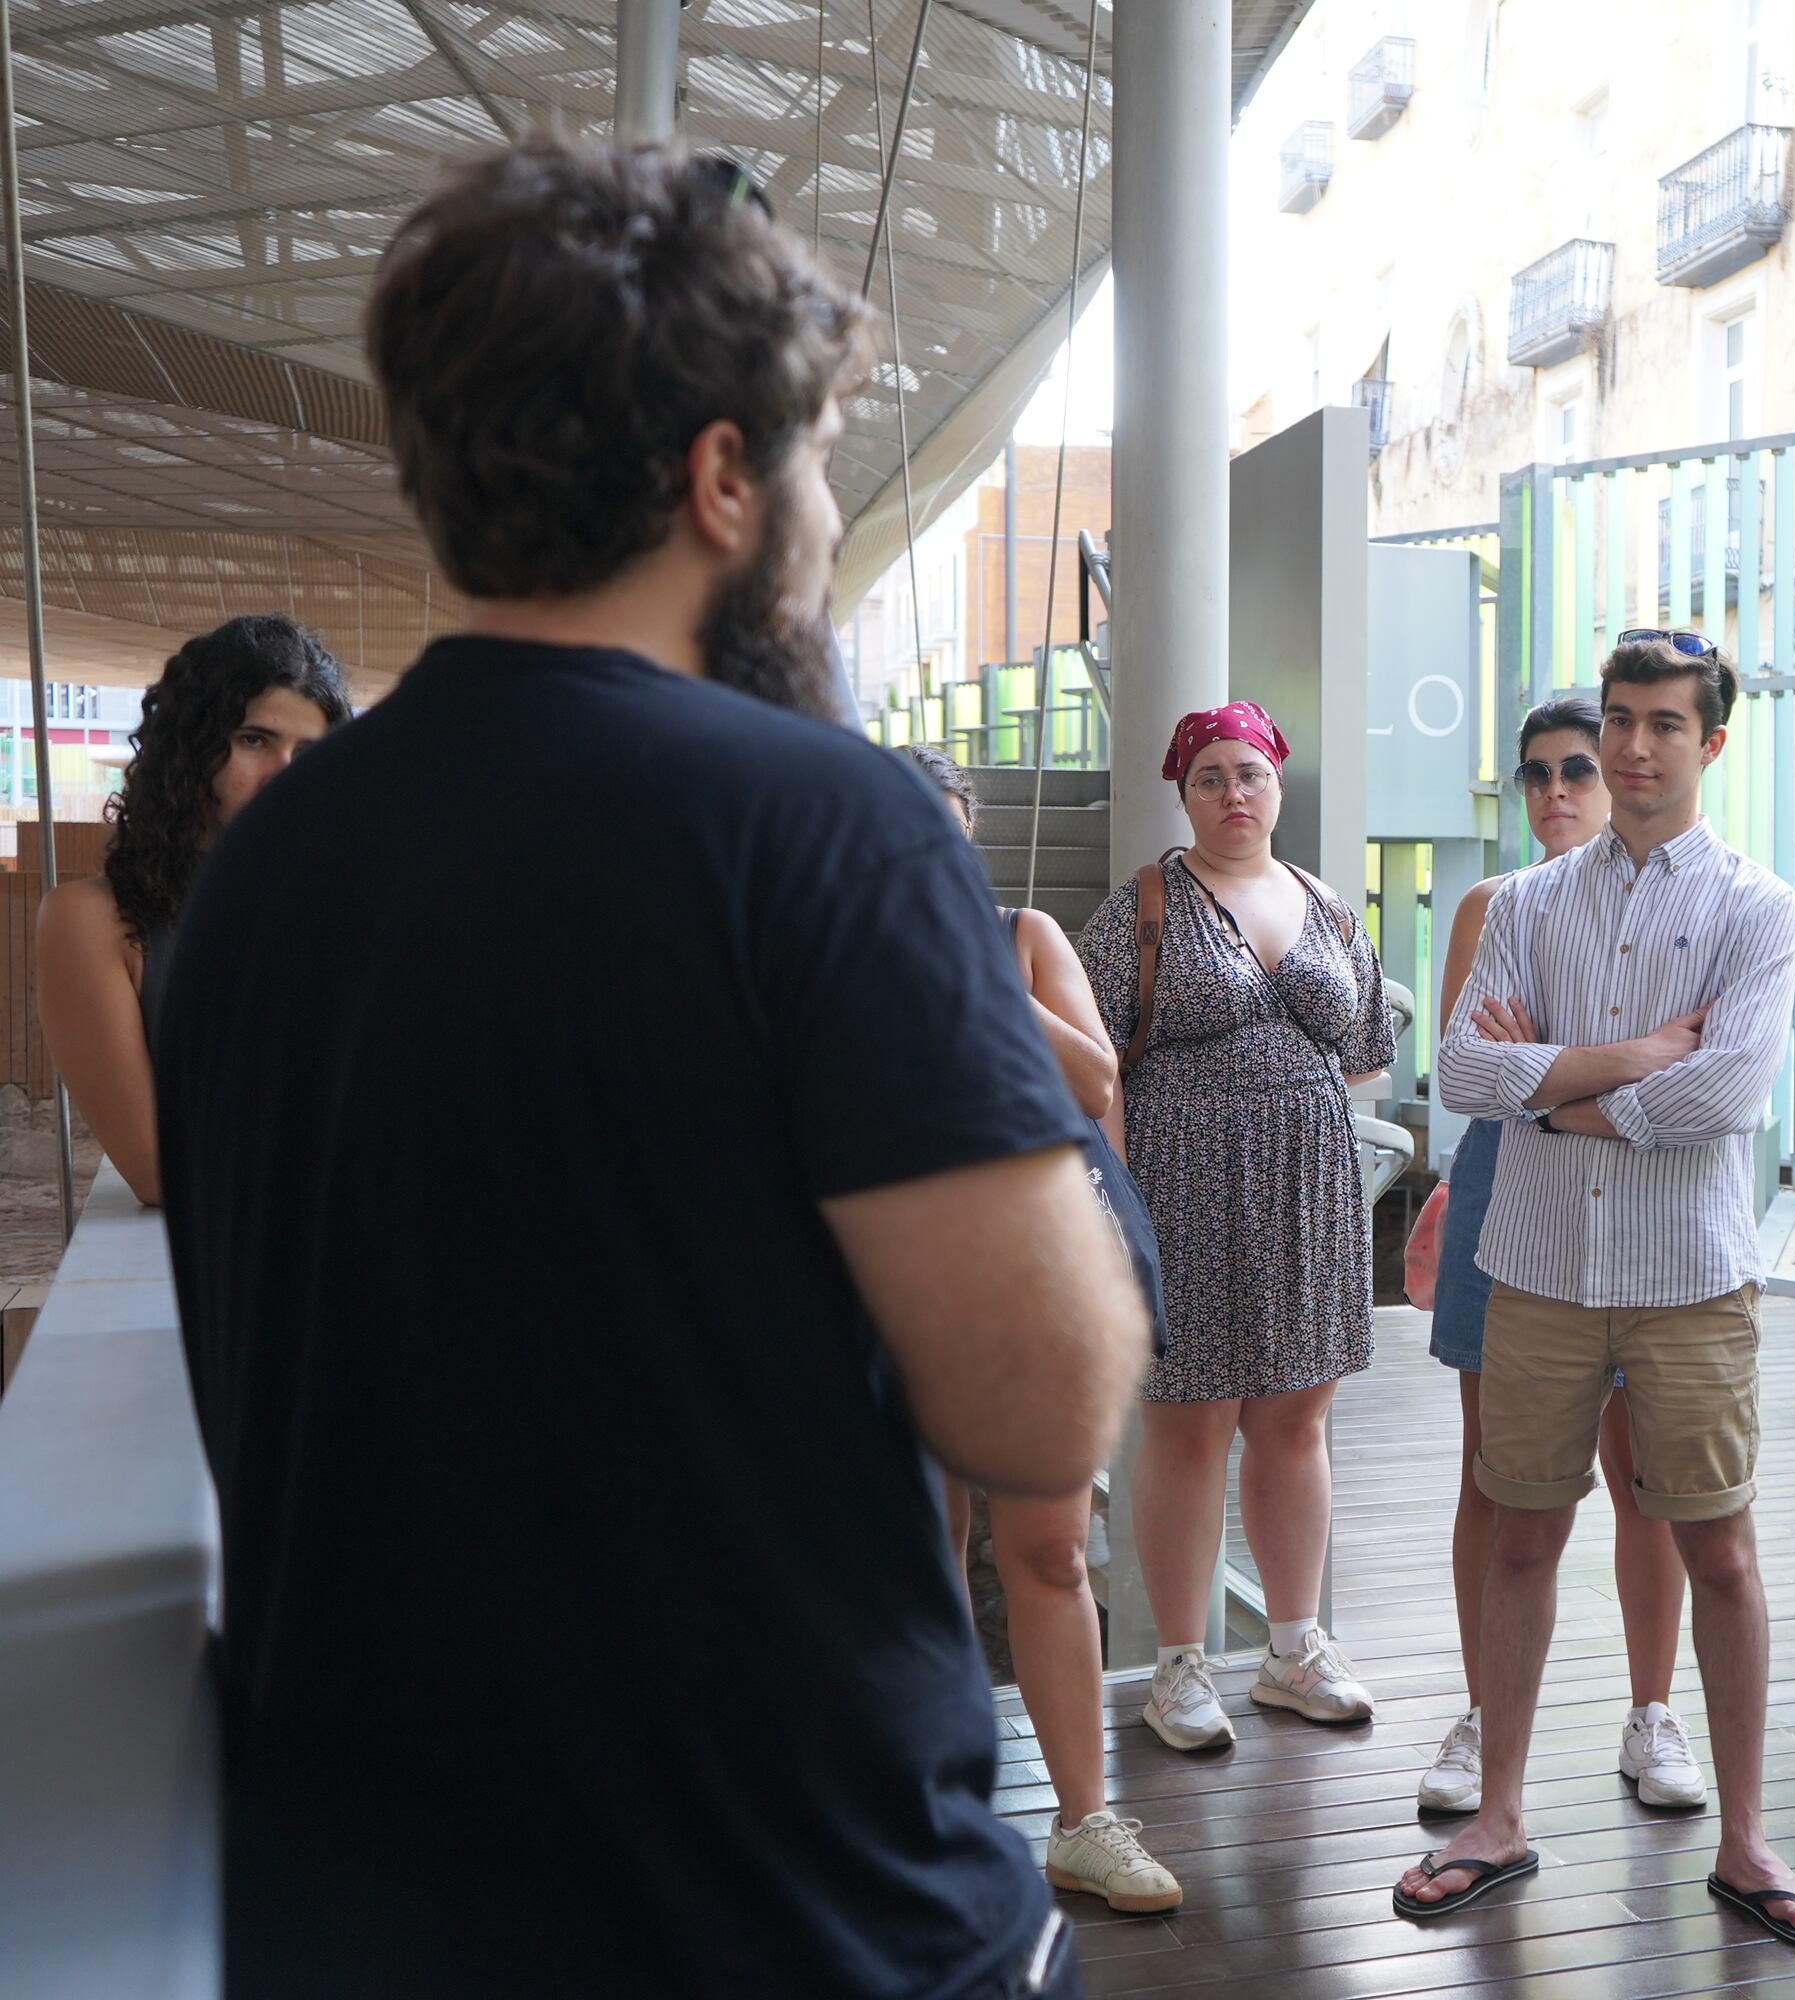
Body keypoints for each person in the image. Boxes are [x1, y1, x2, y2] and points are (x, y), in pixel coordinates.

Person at [155, 135, 1148, 2000]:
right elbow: (1043, 1408)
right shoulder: (821, 827)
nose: (829, 517)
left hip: (371, 1926)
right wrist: (1054, 1106)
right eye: (820, 465)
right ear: (718, 481)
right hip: (795, 1923)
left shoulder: (263, 870)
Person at [1403, 631, 1795, 1946]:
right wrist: (1628, 1058)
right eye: (1621, 719)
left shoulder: (1758, 907)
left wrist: (1559, 1090)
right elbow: (1459, 1076)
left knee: (1722, 1550)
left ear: (1713, 742)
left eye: (1663, 724)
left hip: (1691, 1281)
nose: (1636, 747)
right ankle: (1500, 1819)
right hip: (1533, 1268)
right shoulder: (1528, 904)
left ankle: (1749, 1842)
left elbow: (1726, 1095)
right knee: (1521, 1531)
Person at [1077, 701, 1399, 1752]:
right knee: (1186, 1422)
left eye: (1249, 772)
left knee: (1296, 1419)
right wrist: (1117, 1191)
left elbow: (1361, 1049)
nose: (1233, 793)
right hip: (1179, 1181)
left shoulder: (1324, 900)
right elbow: (1089, 1060)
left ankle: (1293, 1646)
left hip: (1305, 1180)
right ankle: (1177, 1661)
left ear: (1278, 782)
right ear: (1183, 790)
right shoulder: (1145, 906)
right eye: (1210, 775)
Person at [900, 744, 1180, 1916]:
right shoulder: (823, 957)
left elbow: (1090, 1083)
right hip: (892, 1274)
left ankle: (1082, 1818)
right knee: (918, 1554)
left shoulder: (1017, 937)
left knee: (1051, 1550)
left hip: (1030, 1274)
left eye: (943, 833)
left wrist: (974, 977)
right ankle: (935, 1809)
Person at [1412, 693, 1699, 1821]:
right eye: (1535, 772)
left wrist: (1545, 1059)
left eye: (1576, 766)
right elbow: (1468, 1071)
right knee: (1496, 1471)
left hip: (1642, 1203)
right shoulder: (1495, 903)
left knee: (1647, 1479)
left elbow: (1688, 1080)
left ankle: (1651, 1707)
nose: (1558, 790)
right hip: (1509, 1197)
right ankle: (1485, 1711)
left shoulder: (1683, 901)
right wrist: (1611, 1061)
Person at [35, 615, 346, 1205]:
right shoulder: (92, 920)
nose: (284, 774)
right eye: (254, 740)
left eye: (309, 751)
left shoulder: (354, 904)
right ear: (189, 748)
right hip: (213, 1275)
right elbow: (159, 1170)